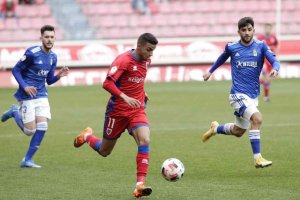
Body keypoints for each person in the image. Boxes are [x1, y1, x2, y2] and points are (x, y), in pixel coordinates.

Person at [73, 33, 158, 198]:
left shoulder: (147, 61)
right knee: (105, 151)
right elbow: (107, 83)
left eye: (153, 50)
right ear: (139, 46)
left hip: (136, 110)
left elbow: (136, 80)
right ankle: (87, 136)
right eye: (149, 50)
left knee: (145, 140)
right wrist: (124, 97)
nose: (151, 54)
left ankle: (139, 185)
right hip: (117, 111)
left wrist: (142, 92)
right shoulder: (124, 60)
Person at [201, 17, 280, 168]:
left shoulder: (261, 46)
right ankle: (258, 158)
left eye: (249, 29)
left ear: (254, 30)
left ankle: (215, 128)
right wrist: (210, 71)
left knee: (238, 131)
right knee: (257, 119)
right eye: (243, 30)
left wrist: (276, 68)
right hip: (237, 95)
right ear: (239, 32)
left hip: (253, 96)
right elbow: (221, 58)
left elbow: (274, 60)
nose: (247, 32)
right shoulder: (232, 47)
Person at [1, 25, 69, 168]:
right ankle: (15, 111)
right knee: (29, 131)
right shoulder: (32, 53)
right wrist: (25, 86)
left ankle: (27, 160)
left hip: (42, 94)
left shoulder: (53, 57)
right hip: (27, 95)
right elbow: (16, 70)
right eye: (47, 37)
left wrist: (59, 76)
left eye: (52, 37)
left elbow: (49, 80)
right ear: (41, 38)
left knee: (43, 126)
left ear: (55, 39)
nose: (49, 40)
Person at [257, 23, 279, 102]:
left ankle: (256, 83)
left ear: (271, 29)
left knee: (268, 80)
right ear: (264, 29)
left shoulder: (273, 38)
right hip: (264, 60)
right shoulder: (260, 38)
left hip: (271, 60)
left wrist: (276, 55)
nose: (268, 30)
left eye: (269, 28)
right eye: (266, 28)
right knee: (266, 77)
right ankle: (266, 98)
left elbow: (276, 45)